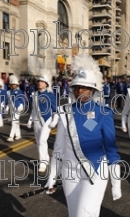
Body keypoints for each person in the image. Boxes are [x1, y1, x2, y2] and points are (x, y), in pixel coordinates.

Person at [46, 55, 121, 217]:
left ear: (93, 89)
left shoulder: (103, 113)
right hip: (69, 173)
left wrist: (116, 183)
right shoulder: (64, 112)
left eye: (84, 87)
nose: (80, 90)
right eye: (77, 87)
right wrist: (52, 176)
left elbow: (111, 151)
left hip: (94, 171)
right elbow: (58, 148)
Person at [27, 69, 57, 172]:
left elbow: (56, 110)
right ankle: (46, 158)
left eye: (42, 81)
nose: (39, 83)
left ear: (46, 84)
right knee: (39, 142)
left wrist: (54, 121)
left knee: (42, 141)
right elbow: (34, 109)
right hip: (36, 121)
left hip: (46, 121)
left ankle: (42, 163)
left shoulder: (50, 95)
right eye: (38, 81)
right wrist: (30, 120)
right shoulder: (34, 94)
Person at [7, 75, 25, 142]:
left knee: (14, 122)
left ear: (16, 85)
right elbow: (9, 101)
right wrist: (7, 109)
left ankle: (11, 136)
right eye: (12, 84)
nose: (13, 85)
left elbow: (22, 101)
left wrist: (20, 107)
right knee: (16, 122)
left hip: (18, 108)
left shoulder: (19, 92)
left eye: (14, 84)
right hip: (12, 109)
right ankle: (18, 135)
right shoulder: (9, 92)